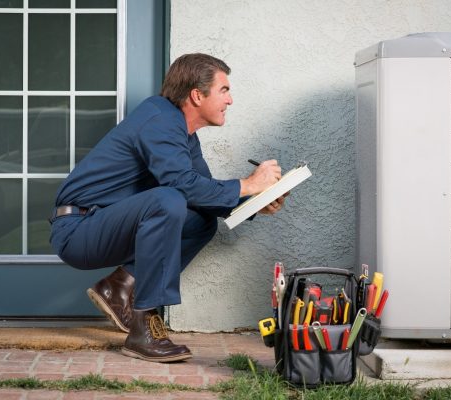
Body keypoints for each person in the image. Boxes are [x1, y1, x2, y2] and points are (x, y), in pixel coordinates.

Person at [49, 53, 287, 363]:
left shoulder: (183, 134)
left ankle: (118, 288)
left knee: (202, 221)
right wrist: (249, 183)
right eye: (224, 90)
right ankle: (143, 327)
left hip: (102, 223)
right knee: (169, 198)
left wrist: (256, 202)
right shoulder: (159, 118)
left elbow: (204, 194)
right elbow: (182, 185)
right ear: (197, 95)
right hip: (78, 230)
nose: (230, 101)